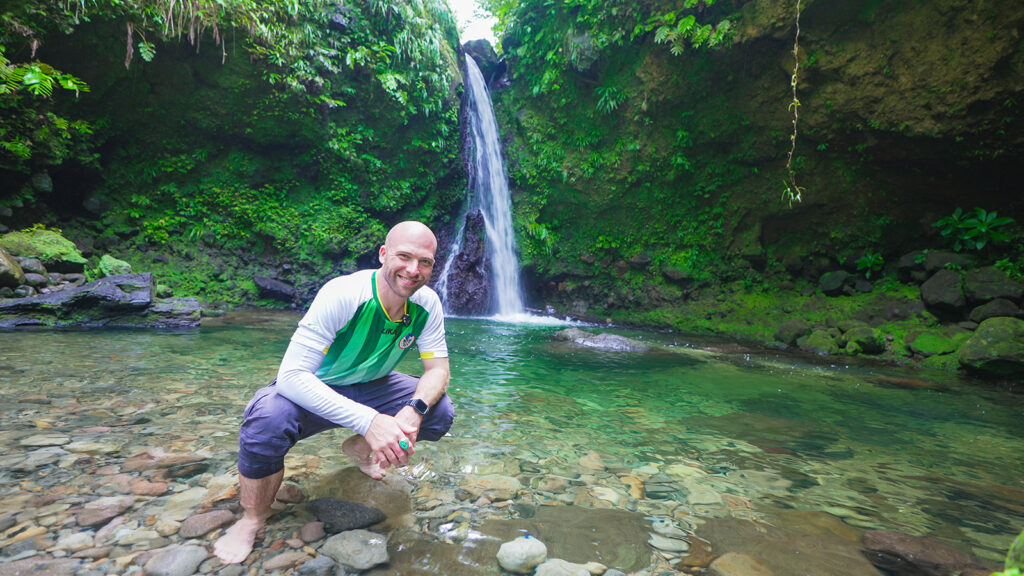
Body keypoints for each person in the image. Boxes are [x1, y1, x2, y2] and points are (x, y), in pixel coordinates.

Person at [214, 221, 454, 565]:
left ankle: (357, 446)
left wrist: (412, 409)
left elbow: (438, 371)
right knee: (267, 420)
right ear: (384, 255)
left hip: (375, 384)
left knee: (439, 411)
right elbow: (292, 376)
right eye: (404, 257)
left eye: (425, 262)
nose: (413, 270)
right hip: (316, 386)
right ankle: (252, 518)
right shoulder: (345, 293)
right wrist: (370, 420)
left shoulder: (427, 304)